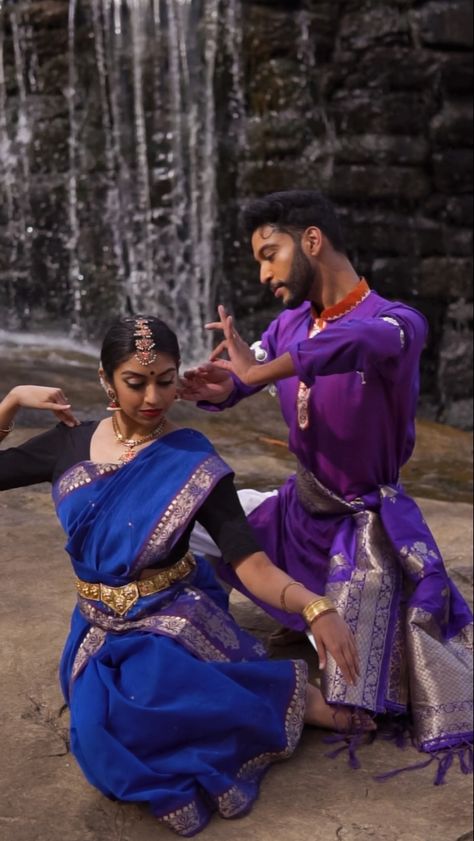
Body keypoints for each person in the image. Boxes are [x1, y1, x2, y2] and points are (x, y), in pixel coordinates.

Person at [0, 315, 368, 837]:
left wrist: (316, 606)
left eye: (166, 380)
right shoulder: (68, 445)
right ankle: (276, 695)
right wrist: (12, 400)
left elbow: (251, 563)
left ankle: (292, 697)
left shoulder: (192, 457)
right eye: (136, 382)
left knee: (149, 710)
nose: (153, 397)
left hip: (171, 613)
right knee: (102, 744)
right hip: (98, 627)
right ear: (106, 380)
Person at [181, 190, 473, 770]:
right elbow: (247, 373)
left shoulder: (398, 323)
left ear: (312, 240)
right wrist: (220, 387)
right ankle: (279, 621)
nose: (263, 273)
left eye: (270, 254)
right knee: (181, 517)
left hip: (363, 534)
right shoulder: (289, 323)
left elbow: (351, 343)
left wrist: (260, 369)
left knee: (366, 688)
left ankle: (320, 625)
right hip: (297, 514)